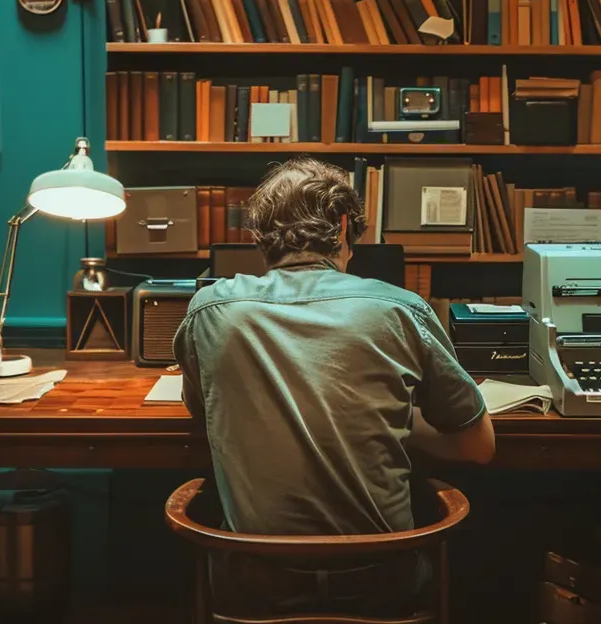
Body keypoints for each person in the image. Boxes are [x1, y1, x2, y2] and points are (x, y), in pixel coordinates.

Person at [172, 156, 495, 616]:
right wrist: (389, 420)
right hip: (383, 580)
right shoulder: (401, 309)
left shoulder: (209, 310)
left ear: (260, 234)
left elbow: (203, 411)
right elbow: (478, 445)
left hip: (254, 582)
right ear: (343, 227)